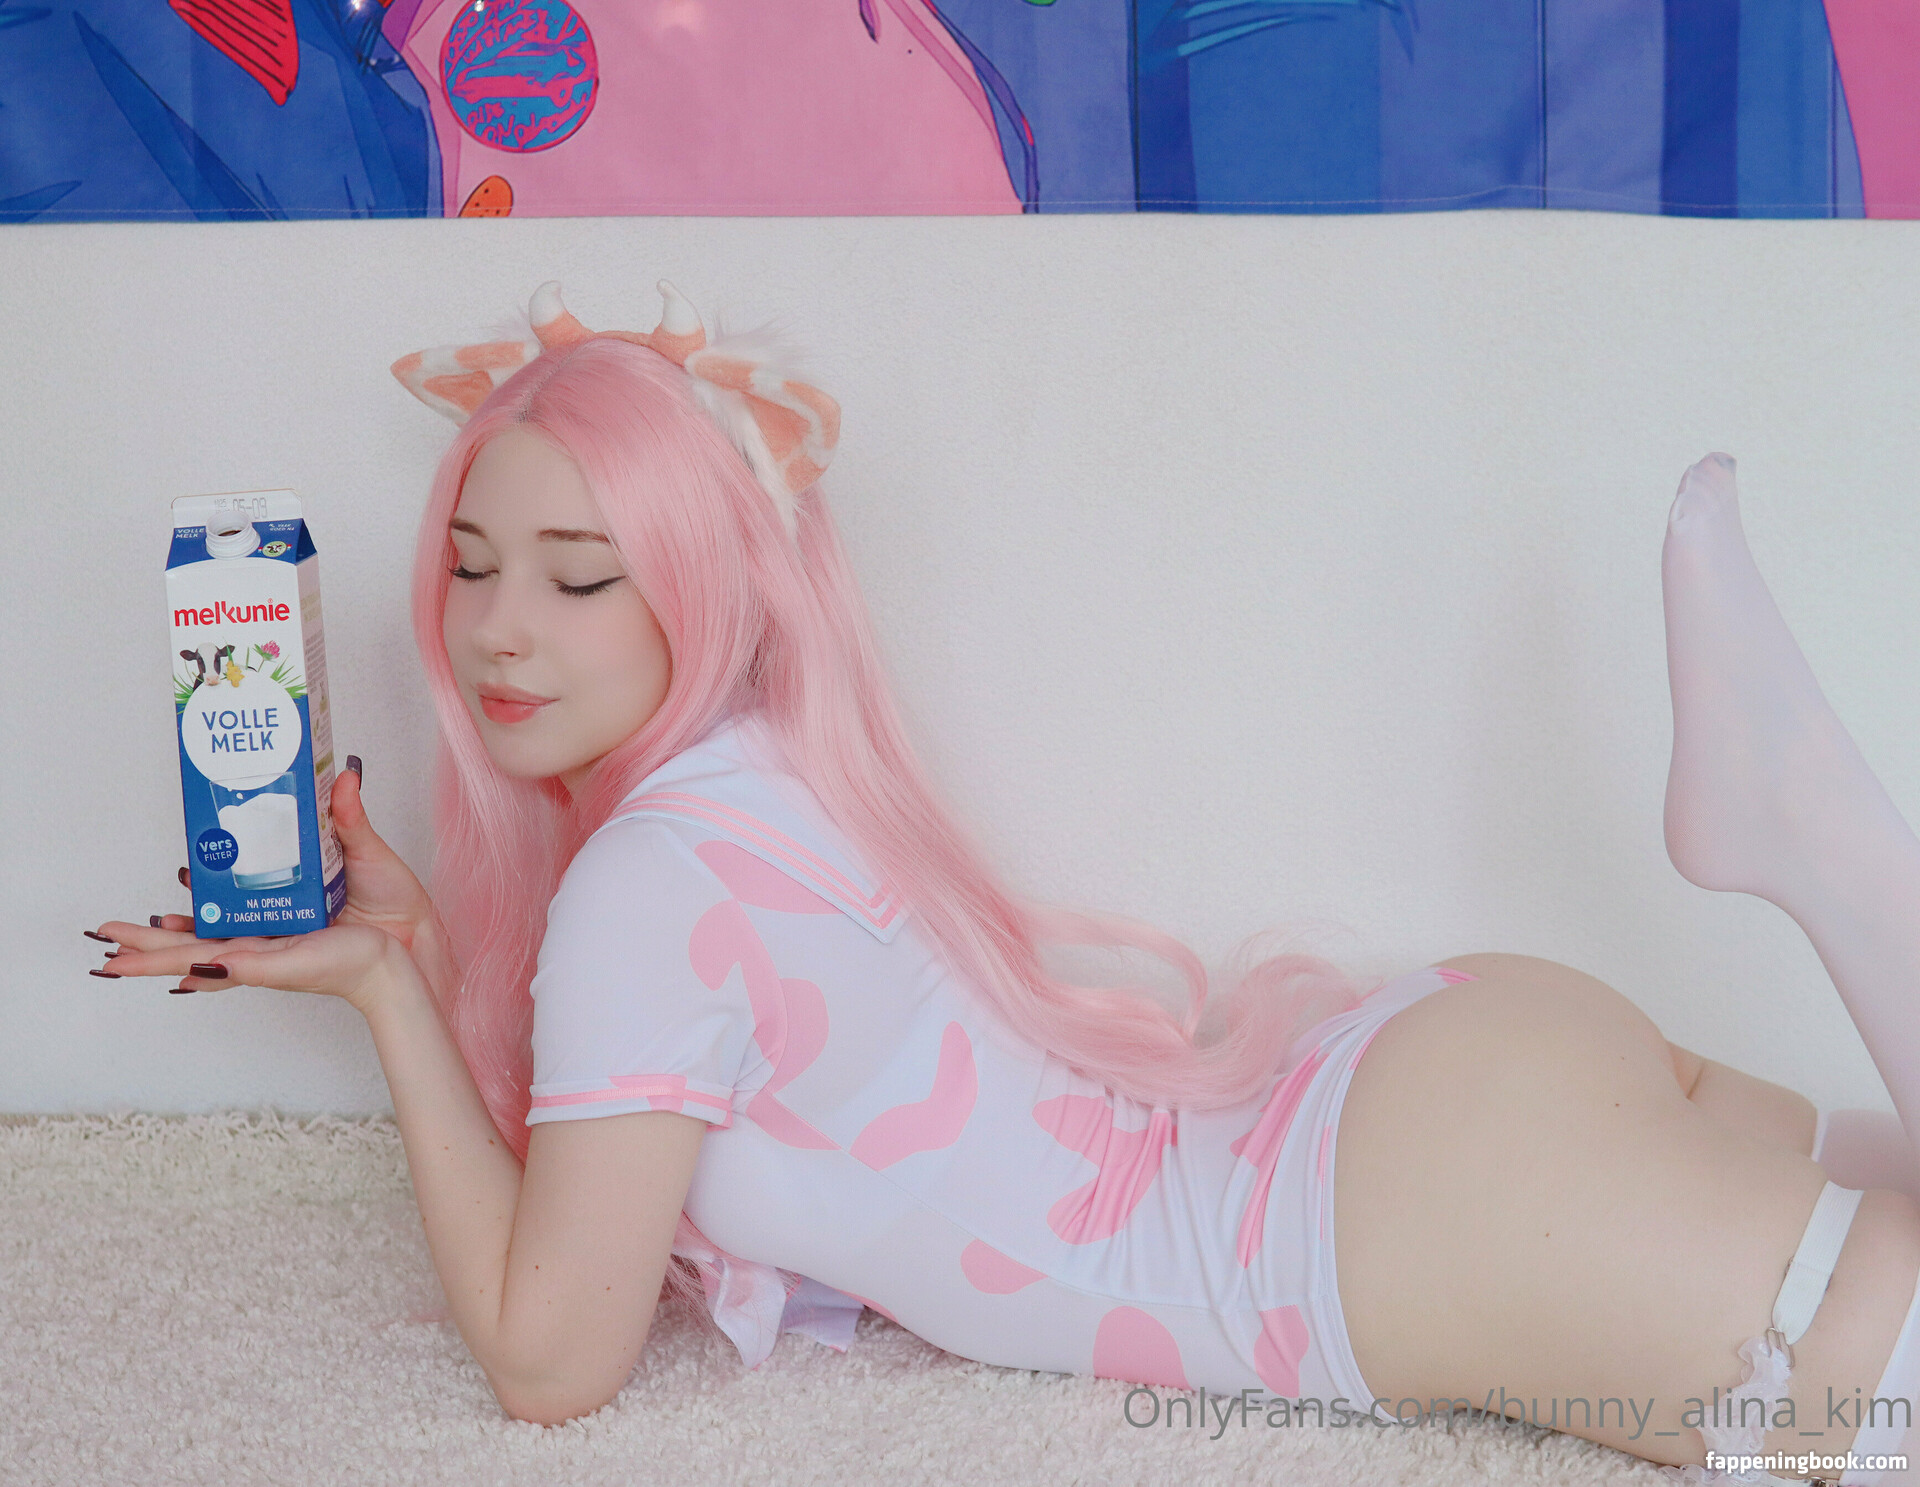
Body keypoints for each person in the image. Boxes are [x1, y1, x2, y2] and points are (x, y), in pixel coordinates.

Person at [91, 282, 1920, 1486]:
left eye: (580, 576)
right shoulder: (775, 770)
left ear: (705, 586)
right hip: (1436, 1107)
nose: (497, 628)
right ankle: (1815, 858)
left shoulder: (646, 889)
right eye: (473, 564)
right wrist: (412, 952)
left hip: (1393, 1228)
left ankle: (1827, 857)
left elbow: (545, 1364)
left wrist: (391, 1003)